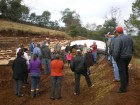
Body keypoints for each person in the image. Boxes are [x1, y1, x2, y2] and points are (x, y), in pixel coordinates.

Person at [112, 26, 134, 93]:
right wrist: (130, 54)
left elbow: (116, 51)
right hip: (128, 56)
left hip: (121, 58)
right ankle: (126, 84)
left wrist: (115, 58)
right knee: (125, 70)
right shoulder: (129, 38)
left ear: (117, 31)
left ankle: (123, 88)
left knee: (122, 72)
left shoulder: (118, 39)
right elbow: (132, 48)